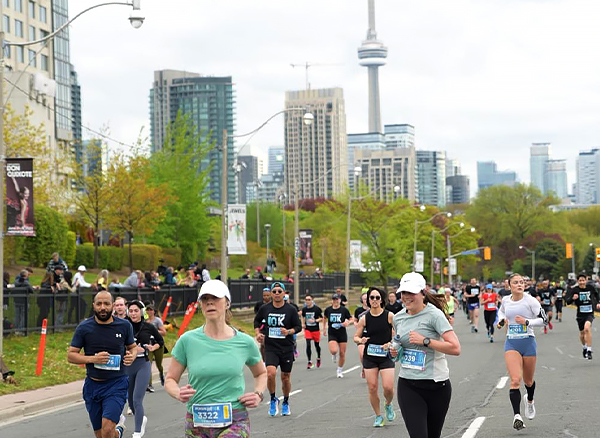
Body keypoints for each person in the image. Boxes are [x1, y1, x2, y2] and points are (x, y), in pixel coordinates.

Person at [165, 280, 267, 437]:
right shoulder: (187, 340)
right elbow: (170, 379)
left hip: (235, 418)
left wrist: (258, 394)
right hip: (197, 420)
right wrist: (178, 393)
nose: (210, 302)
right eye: (205, 299)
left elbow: (261, 373)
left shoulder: (244, 342)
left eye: (215, 297)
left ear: (227, 303)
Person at [390, 272, 461, 438]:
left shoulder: (434, 315)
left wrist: (426, 341)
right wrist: (394, 352)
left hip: (437, 386)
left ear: (423, 292)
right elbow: (398, 349)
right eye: (403, 293)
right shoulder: (398, 318)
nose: (406, 297)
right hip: (408, 385)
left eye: (411, 293)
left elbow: (455, 348)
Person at [67, 291, 137, 438]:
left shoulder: (124, 326)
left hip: (116, 384)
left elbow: (132, 347)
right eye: (99, 304)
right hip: (93, 386)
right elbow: (71, 355)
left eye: (106, 303)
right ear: (94, 306)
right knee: (101, 435)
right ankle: (119, 431)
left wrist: (132, 356)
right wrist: (93, 359)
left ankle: (114, 430)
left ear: (112, 305)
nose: (102, 307)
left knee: (106, 430)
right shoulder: (84, 327)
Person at [497, 273, 547, 431]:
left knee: (528, 381)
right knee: (515, 380)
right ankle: (517, 416)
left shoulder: (530, 301)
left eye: (522, 282)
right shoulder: (506, 300)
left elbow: (544, 320)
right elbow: (501, 312)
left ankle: (530, 401)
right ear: (509, 285)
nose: (520, 285)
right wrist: (501, 320)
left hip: (528, 342)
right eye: (516, 283)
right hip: (511, 342)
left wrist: (527, 322)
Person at [254, 281, 301, 417]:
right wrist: (258, 333)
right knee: (270, 373)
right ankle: (273, 399)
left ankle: (285, 401)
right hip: (271, 347)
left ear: (284, 293)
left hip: (286, 347)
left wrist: (288, 331)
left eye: (279, 291)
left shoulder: (290, 309)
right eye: (274, 292)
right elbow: (257, 321)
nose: (276, 294)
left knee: (285, 377)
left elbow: (298, 327)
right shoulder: (265, 308)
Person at [354, 287, 396, 428]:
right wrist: (361, 340)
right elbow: (356, 337)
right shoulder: (364, 318)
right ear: (368, 300)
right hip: (370, 357)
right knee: (372, 387)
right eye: (372, 298)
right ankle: (378, 416)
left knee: (388, 387)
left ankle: (388, 404)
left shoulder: (389, 316)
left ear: (382, 300)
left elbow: (397, 335)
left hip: (386, 356)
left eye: (377, 298)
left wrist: (390, 343)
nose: (374, 300)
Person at [125, 300, 164, 437]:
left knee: (137, 398)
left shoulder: (149, 327)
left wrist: (153, 347)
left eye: (136, 311)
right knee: (129, 399)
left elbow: (160, 341)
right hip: (128, 364)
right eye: (131, 311)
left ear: (141, 312)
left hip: (143, 363)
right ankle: (141, 419)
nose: (133, 313)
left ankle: (137, 432)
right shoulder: (123, 326)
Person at [565, 273, 600, 360]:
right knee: (582, 334)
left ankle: (589, 350)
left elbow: (597, 295)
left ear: (586, 280)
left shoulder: (590, 288)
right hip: (580, 315)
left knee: (587, 329)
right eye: (580, 281)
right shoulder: (575, 290)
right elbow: (567, 302)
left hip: (589, 313)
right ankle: (584, 347)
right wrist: (573, 298)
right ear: (577, 281)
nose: (581, 282)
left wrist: (598, 302)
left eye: (583, 280)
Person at [323, 293, 352, 378]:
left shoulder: (344, 310)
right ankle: (334, 354)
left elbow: (351, 319)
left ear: (340, 300)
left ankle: (339, 369)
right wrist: (324, 328)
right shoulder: (328, 310)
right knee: (334, 350)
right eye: (334, 299)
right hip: (332, 333)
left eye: (337, 299)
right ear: (332, 301)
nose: (335, 301)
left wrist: (347, 322)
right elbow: (324, 317)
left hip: (342, 333)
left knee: (342, 353)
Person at [145, 304, 167, 388]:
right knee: (148, 364)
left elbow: (164, 332)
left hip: (158, 344)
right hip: (149, 344)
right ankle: (149, 384)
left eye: (151, 310)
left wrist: (154, 331)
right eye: (148, 310)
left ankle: (161, 374)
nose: (149, 311)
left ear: (154, 311)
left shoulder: (157, 320)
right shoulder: (145, 321)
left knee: (159, 364)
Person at [301, 294, 323, 369]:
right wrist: (303, 324)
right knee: (308, 344)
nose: (307, 301)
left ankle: (318, 357)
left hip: (315, 329)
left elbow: (322, 318)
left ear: (312, 300)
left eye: (309, 300)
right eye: (306, 300)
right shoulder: (304, 309)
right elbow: (303, 316)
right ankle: (309, 361)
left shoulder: (316, 309)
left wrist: (315, 320)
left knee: (316, 345)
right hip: (308, 329)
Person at [354, 292, 369, 379]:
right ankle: (365, 367)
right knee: (362, 354)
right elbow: (355, 320)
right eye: (364, 299)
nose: (366, 301)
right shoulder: (358, 311)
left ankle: (369, 368)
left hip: (371, 336)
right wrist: (356, 324)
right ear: (361, 301)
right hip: (361, 336)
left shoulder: (373, 310)